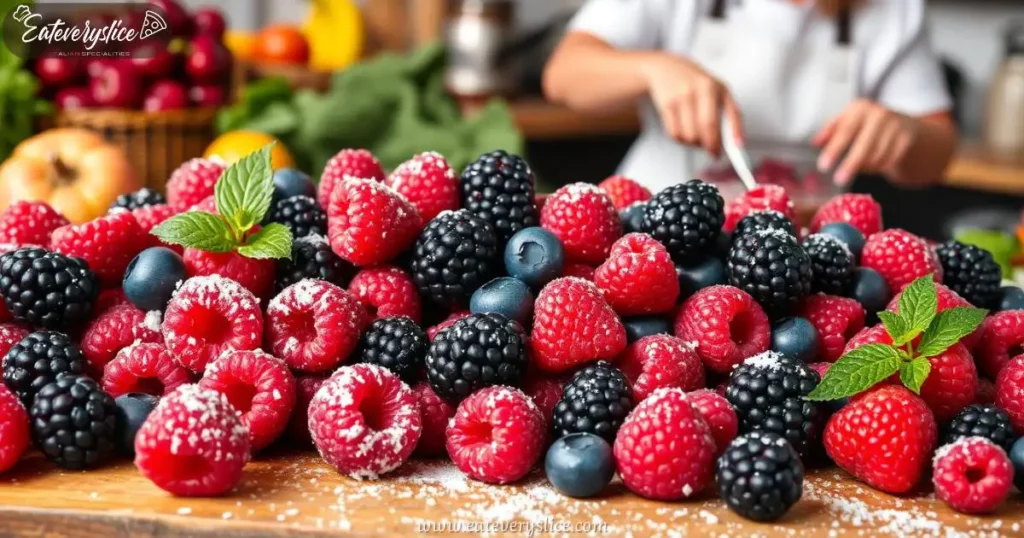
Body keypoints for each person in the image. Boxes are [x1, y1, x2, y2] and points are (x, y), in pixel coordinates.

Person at [543, 0, 958, 192]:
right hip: (654, 224)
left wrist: (906, 134)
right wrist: (651, 68)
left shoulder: (895, 10)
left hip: (805, 243)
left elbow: (937, 153)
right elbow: (564, 75)